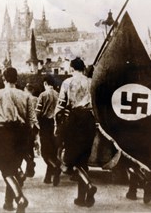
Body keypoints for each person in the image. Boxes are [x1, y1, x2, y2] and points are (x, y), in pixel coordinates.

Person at [0, 67, 35, 212]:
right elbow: (32, 119)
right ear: (16, 79)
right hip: (21, 133)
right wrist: (32, 137)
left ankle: (20, 197)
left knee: (6, 168)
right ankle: (8, 202)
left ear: (3, 79)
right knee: (13, 167)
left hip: (4, 133)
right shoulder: (25, 95)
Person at [54, 57, 97, 207]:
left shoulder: (67, 82)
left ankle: (89, 185)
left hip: (74, 119)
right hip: (89, 120)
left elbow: (60, 106)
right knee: (83, 159)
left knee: (72, 159)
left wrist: (57, 125)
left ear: (72, 68)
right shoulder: (91, 82)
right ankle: (82, 197)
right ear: (83, 68)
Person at [35, 75, 61, 186]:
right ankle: (49, 177)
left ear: (45, 83)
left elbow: (37, 112)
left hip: (45, 124)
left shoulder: (43, 95)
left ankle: (56, 168)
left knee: (45, 152)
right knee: (54, 151)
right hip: (56, 124)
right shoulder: (59, 95)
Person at [23, 83, 39, 178]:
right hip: (34, 126)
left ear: (25, 89)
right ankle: (30, 170)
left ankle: (28, 165)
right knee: (30, 147)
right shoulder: (36, 99)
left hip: (25, 126)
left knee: (22, 147)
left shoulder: (22, 98)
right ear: (32, 90)